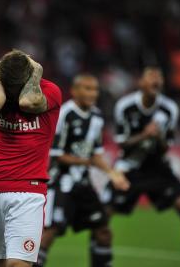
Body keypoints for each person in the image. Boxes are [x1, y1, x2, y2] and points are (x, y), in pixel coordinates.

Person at [104, 67, 180, 267]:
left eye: (159, 78)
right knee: (102, 217)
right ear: (141, 83)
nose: (156, 81)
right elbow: (121, 142)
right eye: (151, 77)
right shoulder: (125, 106)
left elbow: (167, 145)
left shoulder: (170, 109)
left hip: (158, 168)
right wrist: (144, 135)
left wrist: (158, 136)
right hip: (129, 168)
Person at [0, 49, 62, 267]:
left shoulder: (50, 91)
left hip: (28, 190)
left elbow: (29, 103)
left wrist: (36, 71)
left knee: (17, 264)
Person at [33, 74, 129, 267]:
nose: (93, 93)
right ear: (74, 91)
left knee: (103, 231)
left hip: (83, 184)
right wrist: (87, 162)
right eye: (87, 88)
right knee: (50, 233)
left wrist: (113, 174)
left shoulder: (97, 117)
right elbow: (57, 154)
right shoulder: (64, 114)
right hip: (61, 183)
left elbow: (96, 154)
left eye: (95, 89)